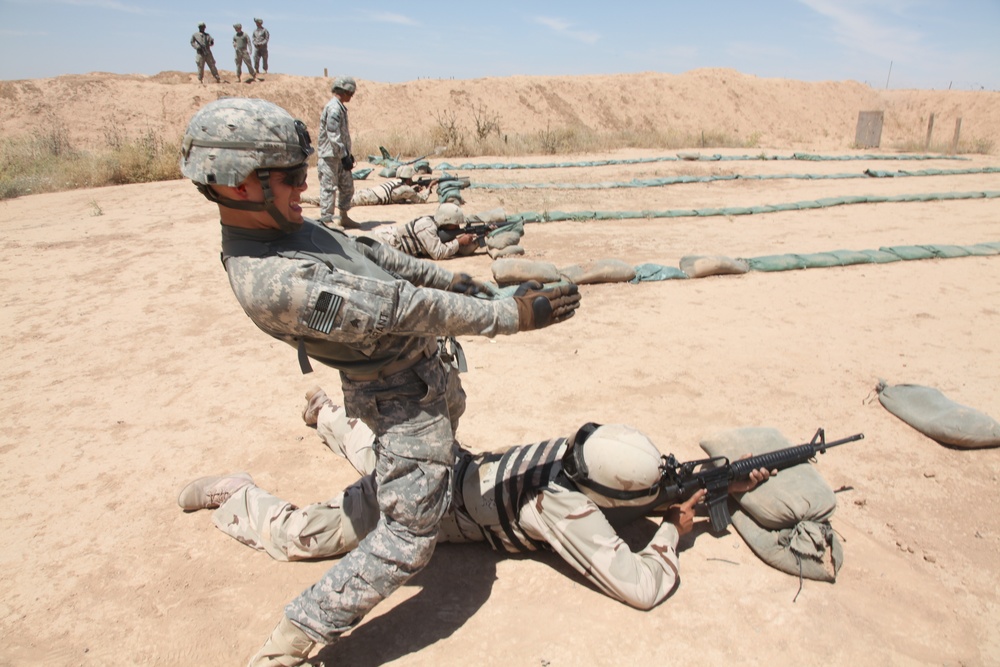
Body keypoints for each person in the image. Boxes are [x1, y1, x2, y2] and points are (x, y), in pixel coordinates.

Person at [178, 97, 581, 666]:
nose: (306, 187)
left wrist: (459, 283)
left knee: (388, 497)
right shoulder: (271, 280)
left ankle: (328, 425)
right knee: (408, 539)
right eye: (292, 177)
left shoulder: (287, 228)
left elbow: (373, 257)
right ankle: (288, 639)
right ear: (241, 185)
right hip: (399, 400)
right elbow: (399, 307)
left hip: (420, 383)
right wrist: (511, 315)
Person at [178, 390, 775, 615]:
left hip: (450, 465)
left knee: (381, 456)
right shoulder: (563, 510)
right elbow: (643, 588)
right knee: (306, 537)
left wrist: (723, 483)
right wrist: (674, 530)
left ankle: (329, 414)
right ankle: (241, 496)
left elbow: (647, 480)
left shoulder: (587, 454)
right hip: (424, 507)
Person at [372, 202, 479, 260]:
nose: (457, 228)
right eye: (455, 225)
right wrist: (459, 241)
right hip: (380, 241)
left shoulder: (438, 225)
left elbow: (452, 248)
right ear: (446, 221)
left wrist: (478, 238)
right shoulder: (427, 227)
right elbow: (438, 253)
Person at [318, 76, 358, 228]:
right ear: (343, 91)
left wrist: (346, 154)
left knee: (347, 187)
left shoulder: (339, 107)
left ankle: (343, 216)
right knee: (329, 188)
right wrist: (343, 155)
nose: (351, 96)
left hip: (340, 156)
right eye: (350, 92)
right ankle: (327, 220)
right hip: (330, 156)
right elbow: (333, 134)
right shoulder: (334, 108)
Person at [350, 165, 434, 206]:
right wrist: (429, 187)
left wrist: (413, 190)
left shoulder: (396, 182)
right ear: (408, 179)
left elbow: (399, 195)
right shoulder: (405, 189)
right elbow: (422, 200)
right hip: (368, 198)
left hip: (366, 192)